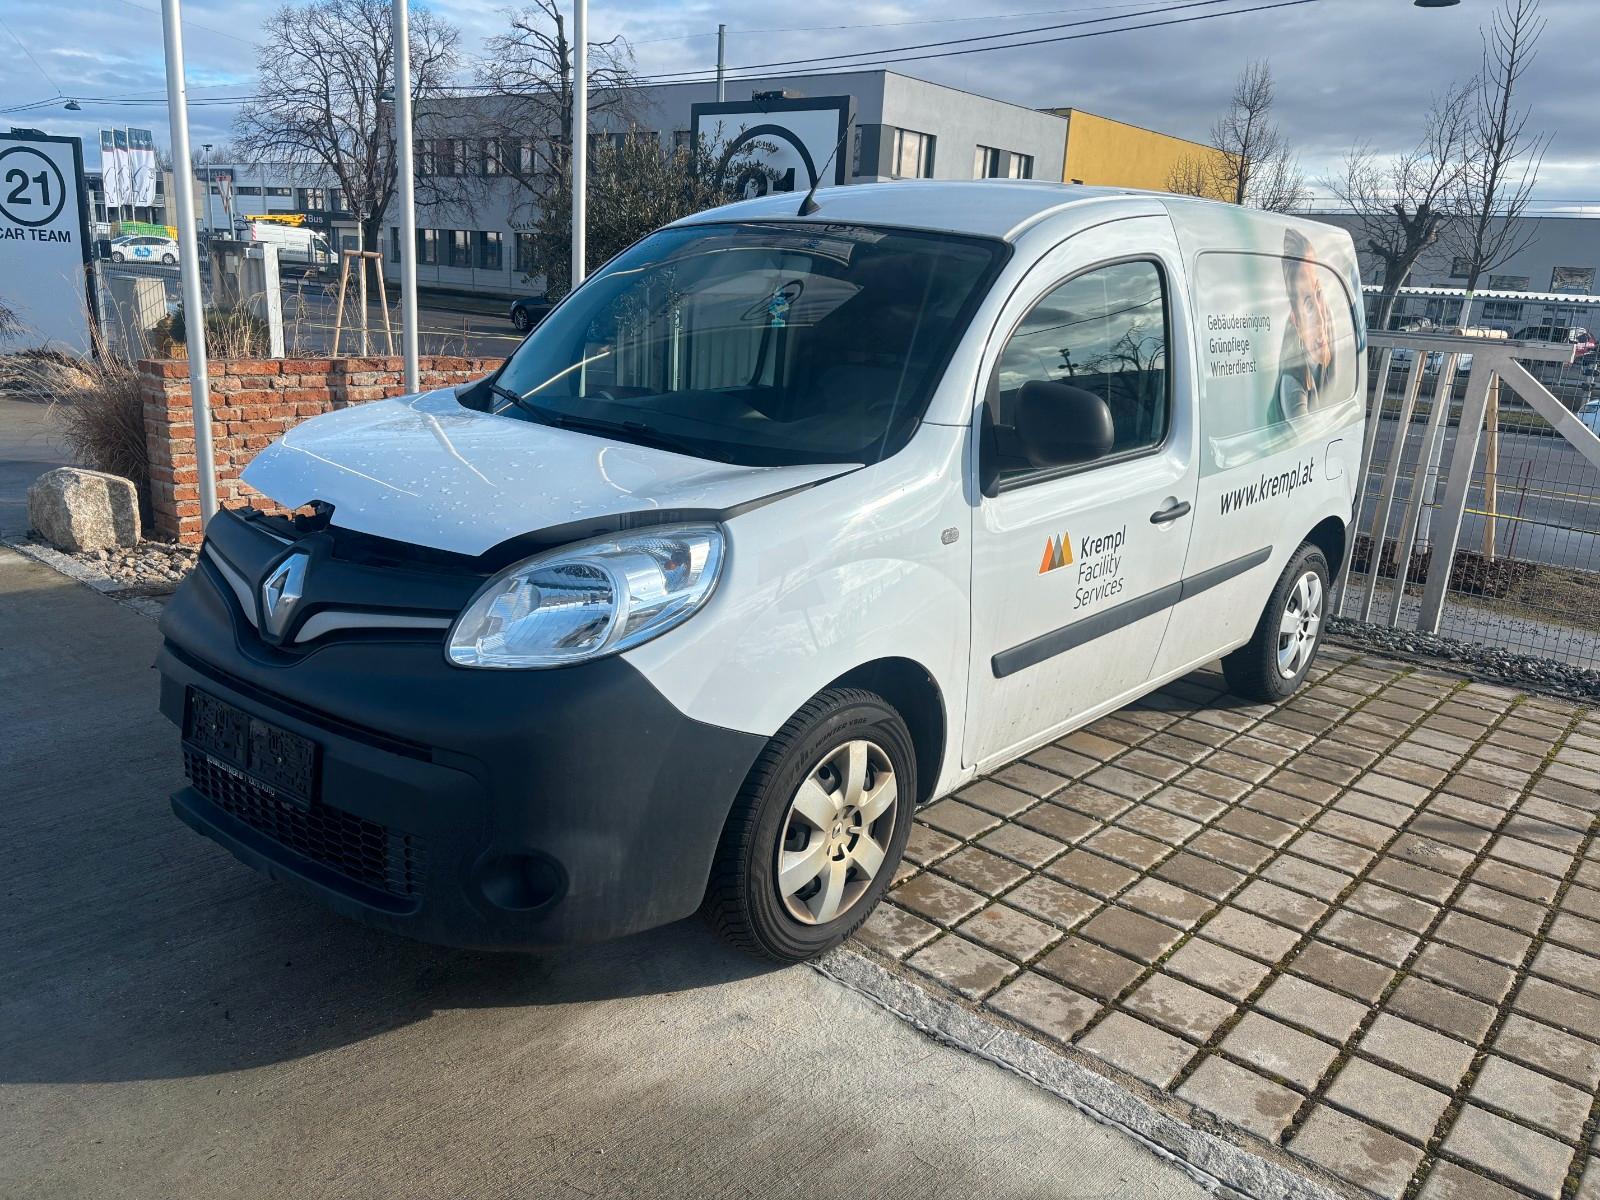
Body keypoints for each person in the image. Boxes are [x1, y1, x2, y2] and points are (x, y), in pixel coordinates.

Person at [1271, 227, 1335, 425]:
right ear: (1295, 321)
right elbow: (1309, 440)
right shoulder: (1292, 383)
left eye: (1318, 293)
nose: (1321, 317)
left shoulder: (1328, 356)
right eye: (1308, 304)